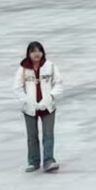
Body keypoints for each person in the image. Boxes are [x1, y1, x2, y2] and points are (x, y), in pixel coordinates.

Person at [15, 41, 63, 174]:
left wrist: (51, 97)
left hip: (47, 107)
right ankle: (33, 161)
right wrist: (26, 101)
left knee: (48, 134)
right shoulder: (23, 69)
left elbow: (58, 83)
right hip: (30, 108)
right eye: (33, 51)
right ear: (28, 54)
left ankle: (48, 161)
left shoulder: (50, 66)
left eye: (38, 51)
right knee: (32, 136)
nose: (36, 54)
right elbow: (17, 88)